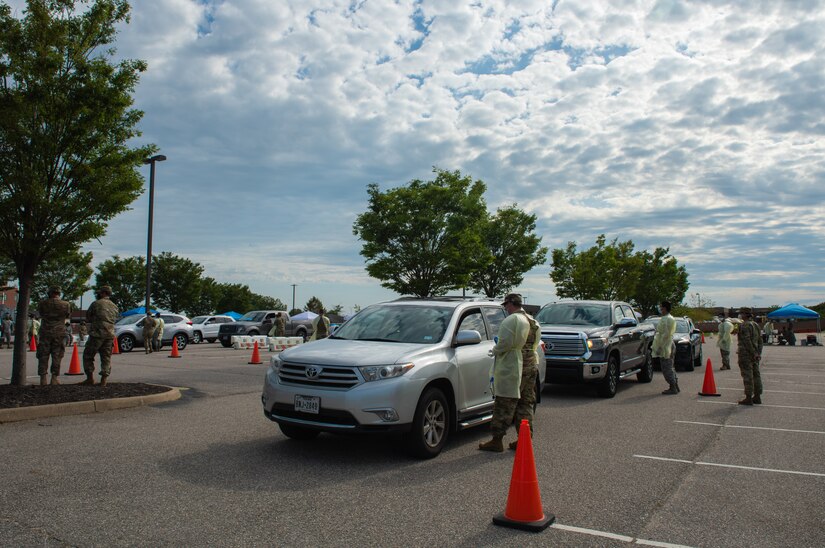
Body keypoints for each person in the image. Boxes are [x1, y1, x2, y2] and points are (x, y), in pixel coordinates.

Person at [478, 293, 541, 453]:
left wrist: (495, 350)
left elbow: (505, 343)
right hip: (531, 365)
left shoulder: (512, 320)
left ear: (511, 303)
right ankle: (525, 439)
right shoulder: (532, 321)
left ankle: (496, 440)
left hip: (514, 365)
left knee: (505, 402)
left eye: (506, 305)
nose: (505, 308)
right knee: (525, 403)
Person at [81, 285, 119, 386]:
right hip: (110, 335)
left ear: (103, 293)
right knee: (106, 357)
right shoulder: (114, 306)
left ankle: (90, 378)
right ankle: (104, 380)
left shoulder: (96, 304)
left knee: (88, 355)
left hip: (97, 334)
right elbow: (115, 318)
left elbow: (88, 317)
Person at [36, 286, 72, 385]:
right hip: (59, 333)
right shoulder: (66, 304)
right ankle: (54, 378)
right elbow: (67, 315)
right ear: (59, 293)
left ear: (49, 293)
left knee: (43, 355)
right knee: (57, 355)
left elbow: (40, 314)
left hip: (45, 332)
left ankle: (43, 378)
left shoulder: (43, 303)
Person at [737, 307, 763, 405]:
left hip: (746, 354)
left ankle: (748, 397)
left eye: (741, 313)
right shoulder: (755, 325)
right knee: (756, 375)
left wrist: (753, 353)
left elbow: (746, 341)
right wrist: (758, 353)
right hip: (755, 355)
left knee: (748, 376)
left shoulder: (745, 325)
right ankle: (757, 396)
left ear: (744, 314)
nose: (739, 315)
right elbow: (760, 340)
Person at [652, 301, 678, 394]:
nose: (660, 309)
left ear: (665, 308)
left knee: (666, 367)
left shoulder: (667, 319)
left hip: (666, 345)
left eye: (661, 307)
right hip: (667, 344)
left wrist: (661, 346)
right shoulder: (666, 318)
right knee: (670, 366)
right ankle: (675, 385)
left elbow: (665, 334)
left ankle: (673, 387)